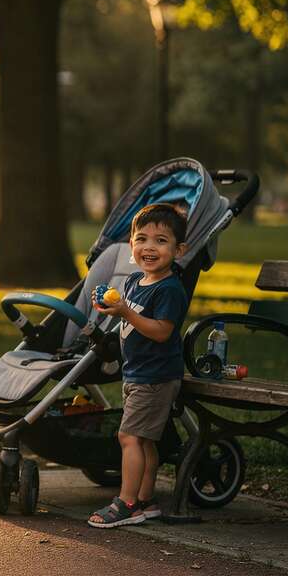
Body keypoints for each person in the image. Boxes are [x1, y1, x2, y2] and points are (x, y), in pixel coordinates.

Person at [88, 203, 190, 528]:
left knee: (128, 438)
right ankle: (146, 500)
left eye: (161, 241)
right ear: (131, 245)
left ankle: (127, 502)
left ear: (179, 249)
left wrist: (125, 314)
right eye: (142, 238)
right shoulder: (134, 281)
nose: (149, 247)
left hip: (156, 377)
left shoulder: (170, 289)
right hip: (136, 372)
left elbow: (161, 332)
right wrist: (107, 305)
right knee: (144, 441)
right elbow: (123, 315)